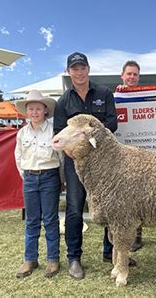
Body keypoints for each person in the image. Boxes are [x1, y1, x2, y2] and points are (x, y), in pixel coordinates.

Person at [54, 52, 133, 280]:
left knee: (112, 206)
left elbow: (112, 123)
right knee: (75, 207)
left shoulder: (104, 93)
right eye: (74, 69)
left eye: (82, 68)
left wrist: (90, 132)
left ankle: (112, 253)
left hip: (106, 162)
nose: (79, 72)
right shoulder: (63, 101)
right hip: (77, 163)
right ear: (69, 72)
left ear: (88, 69)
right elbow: (59, 132)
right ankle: (74, 258)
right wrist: (77, 142)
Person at [14, 90, 63, 278]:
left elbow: (60, 156)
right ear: (27, 112)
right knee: (32, 220)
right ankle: (30, 259)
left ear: (45, 110)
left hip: (50, 177)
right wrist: (26, 174)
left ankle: (53, 259)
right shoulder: (22, 133)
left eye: (38, 108)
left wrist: (60, 180)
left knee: (50, 219)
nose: (34, 112)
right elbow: (18, 156)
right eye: (31, 109)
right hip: (29, 177)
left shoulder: (53, 130)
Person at [109, 60, 144, 253]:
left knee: (142, 194)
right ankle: (124, 235)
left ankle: (138, 235)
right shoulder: (115, 96)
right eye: (129, 74)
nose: (131, 77)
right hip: (122, 154)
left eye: (135, 75)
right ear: (122, 75)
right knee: (126, 196)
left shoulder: (145, 96)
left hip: (143, 153)